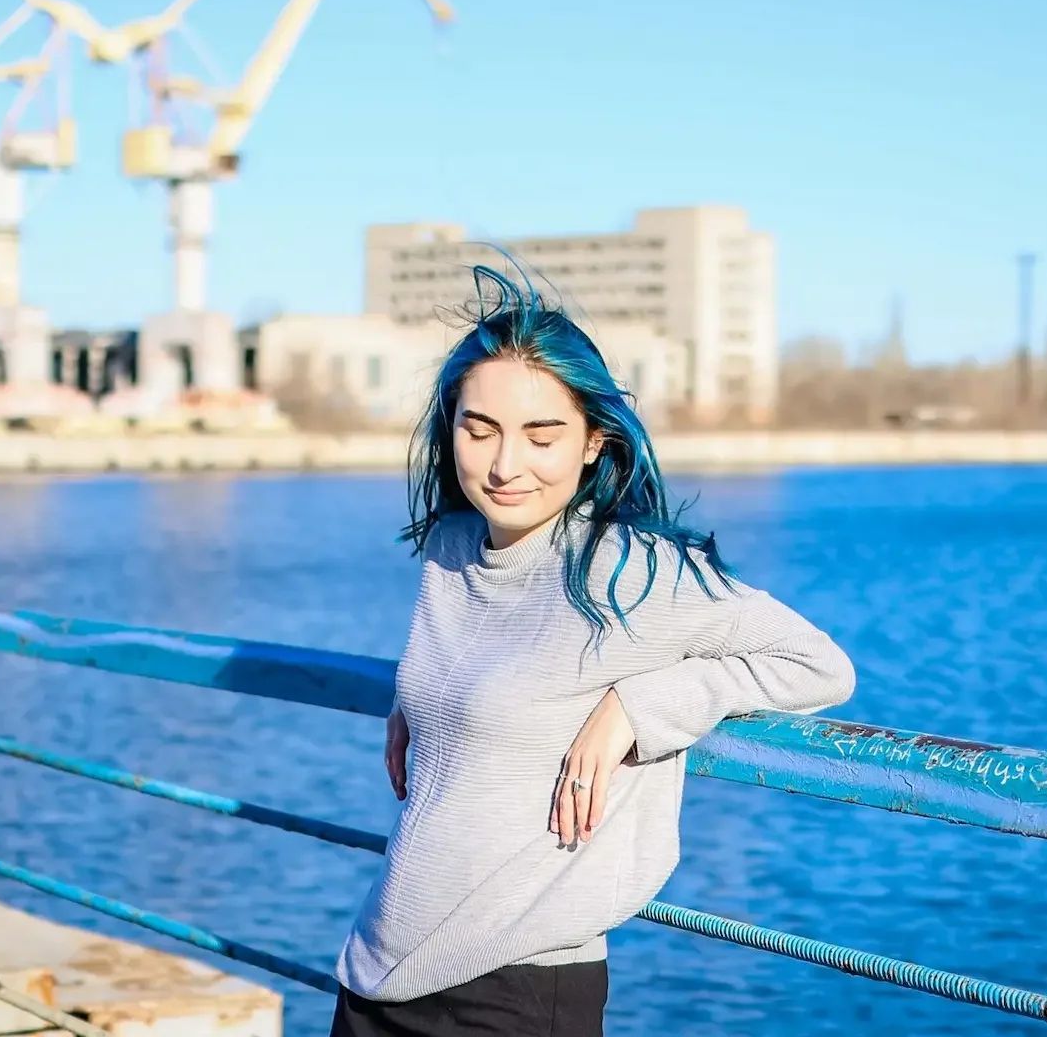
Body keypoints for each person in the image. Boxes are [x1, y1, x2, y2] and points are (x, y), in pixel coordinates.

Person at [331, 267, 855, 1037]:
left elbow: (820, 666)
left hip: (513, 991)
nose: (505, 465)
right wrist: (421, 699)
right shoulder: (452, 545)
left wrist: (640, 707)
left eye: (542, 437)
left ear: (592, 444)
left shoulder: (631, 569)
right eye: (480, 430)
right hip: (376, 969)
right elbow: (492, 669)